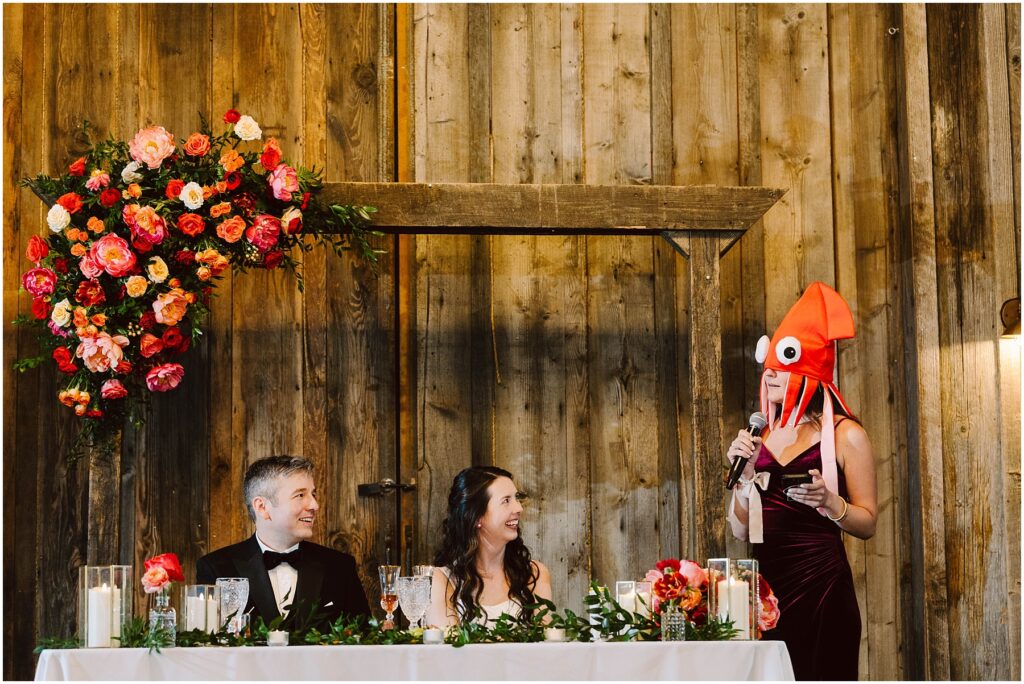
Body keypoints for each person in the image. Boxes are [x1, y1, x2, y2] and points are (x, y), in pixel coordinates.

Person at [726, 282, 877, 681]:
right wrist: (743, 479)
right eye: (768, 365)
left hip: (822, 587)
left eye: (781, 364)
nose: (769, 372)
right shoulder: (761, 436)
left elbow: (868, 522)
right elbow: (741, 529)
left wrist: (832, 503)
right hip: (767, 592)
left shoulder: (847, 435)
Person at [196, 455, 370, 628]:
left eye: (313, 494)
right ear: (262, 507)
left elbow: (365, 641)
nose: (314, 505)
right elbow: (205, 646)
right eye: (300, 495)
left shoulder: (340, 567)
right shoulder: (215, 568)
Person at [424, 466, 553, 627]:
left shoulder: (535, 574)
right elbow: (448, 648)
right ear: (477, 517)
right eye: (506, 501)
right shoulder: (442, 580)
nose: (519, 508)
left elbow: (546, 648)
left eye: (516, 498)